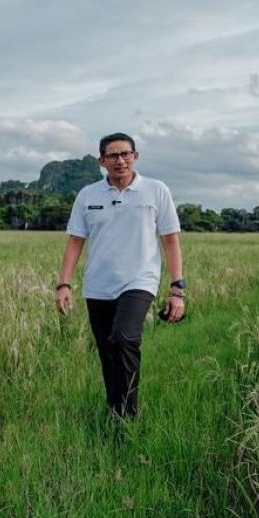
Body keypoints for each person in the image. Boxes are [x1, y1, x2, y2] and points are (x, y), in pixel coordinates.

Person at [55, 133, 185, 419]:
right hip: (98, 286)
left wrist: (177, 289)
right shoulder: (88, 195)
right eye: (112, 156)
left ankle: (129, 414)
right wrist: (63, 284)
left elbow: (171, 241)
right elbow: (75, 242)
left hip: (139, 281)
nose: (120, 160)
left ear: (136, 157)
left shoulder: (156, 190)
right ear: (102, 161)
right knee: (107, 351)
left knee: (124, 338)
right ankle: (115, 409)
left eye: (126, 154)